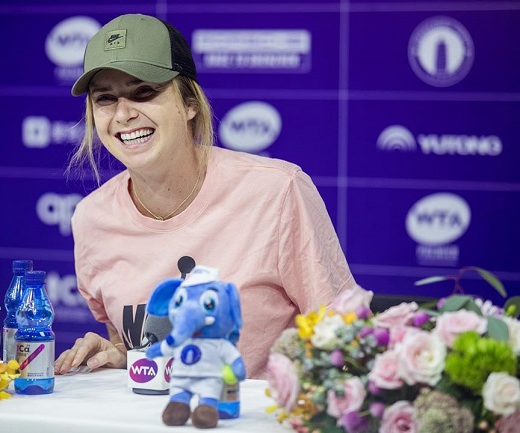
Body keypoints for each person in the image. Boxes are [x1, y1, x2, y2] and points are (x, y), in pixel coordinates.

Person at [54, 13, 355, 379]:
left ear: (190, 103)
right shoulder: (92, 218)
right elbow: (137, 347)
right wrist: (118, 356)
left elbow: (348, 343)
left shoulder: (277, 191)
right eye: (105, 98)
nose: (123, 114)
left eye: (144, 92)